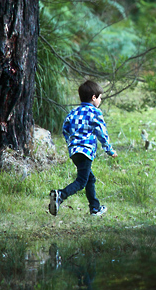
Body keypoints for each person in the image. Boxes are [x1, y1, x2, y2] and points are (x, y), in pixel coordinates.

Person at [50, 80, 117, 217]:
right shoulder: (95, 113)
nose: (100, 100)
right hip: (86, 152)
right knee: (81, 181)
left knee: (89, 179)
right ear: (93, 97)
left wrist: (71, 144)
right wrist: (109, 149)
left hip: (75, 152)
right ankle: (60, 195)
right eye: (99, 98)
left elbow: (65, 129)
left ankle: (95, 208)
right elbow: (102, 133)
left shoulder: (74, 112)